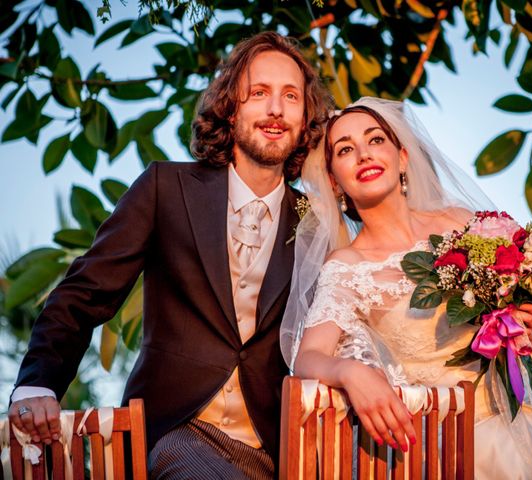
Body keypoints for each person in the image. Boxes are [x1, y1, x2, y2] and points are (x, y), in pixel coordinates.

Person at [8, 31, 331, 479]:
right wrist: (38, 382)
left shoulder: (315, 221)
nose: (275, 109)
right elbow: (84, 294)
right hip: (174, 432)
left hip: (279, 448)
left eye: (291, 96)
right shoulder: (166, 188)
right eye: (259, 93)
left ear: (305, 118)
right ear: (231, 107)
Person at [281, 97, 532, 478]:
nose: (364, 155)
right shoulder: (346, 267)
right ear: (335, 181)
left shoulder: (461, 223)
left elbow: (527, 329)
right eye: (346, 149)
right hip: (451, 445)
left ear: (403, 157)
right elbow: (308, 357)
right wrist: (350, 372)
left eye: (375, 140)